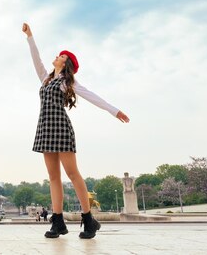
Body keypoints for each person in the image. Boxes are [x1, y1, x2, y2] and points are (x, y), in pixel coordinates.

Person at [22, 23, 130, 239]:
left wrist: (114, 110)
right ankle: (58, 221)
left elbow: (92, 96)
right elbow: (36, 60)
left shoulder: (68, 82)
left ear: (66, 62)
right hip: (45, 128)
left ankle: (89, 219)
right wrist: (30, 36)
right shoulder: (46, 78)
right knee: (53, 177)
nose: (57, 56)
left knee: (72, 174)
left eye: (60, 55)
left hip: (61, 128)